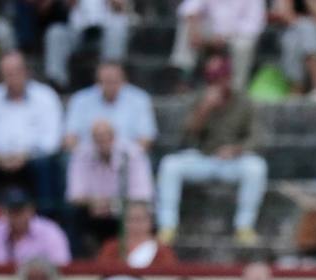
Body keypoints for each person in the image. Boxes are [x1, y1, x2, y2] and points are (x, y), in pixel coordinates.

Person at [156, 55, 269, 247]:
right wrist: (204, 109)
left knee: (256, 168)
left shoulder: (243, 101)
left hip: (232, 161)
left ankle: (244, 227)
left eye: (221, 78)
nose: (217, 83)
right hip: (203, 158)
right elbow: (186, 135)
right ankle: (167, 226)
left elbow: (258, 137)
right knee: (169, 165)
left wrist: (236, 149)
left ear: (229, 78)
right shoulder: (199, 99)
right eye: (213, 79)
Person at [0, 51, 63, 222]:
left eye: (16, 71)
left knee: (45, 164)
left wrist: (25, 156)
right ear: (0, 75)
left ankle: (48, 220)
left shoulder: (46, 97)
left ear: (26, 72)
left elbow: (51, 139)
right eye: (7, 73)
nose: (12, 77)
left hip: (33, 158)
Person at [65, 119, 154, 258]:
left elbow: (143, 195)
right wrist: (94, 203)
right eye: (98, 139)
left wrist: (112, 205)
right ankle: (78, 263)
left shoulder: (132, 153)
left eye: (106, 137)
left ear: (114, 137)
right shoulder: (81, 154)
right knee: (73, 215)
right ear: (92, 140)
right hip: (93, 211)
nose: (102, 143)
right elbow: (74, 195)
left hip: (124, 211)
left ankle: (134, 258)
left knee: (139, 215)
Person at [63, 61, 158, 153]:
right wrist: (85, 155)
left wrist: (123, 157)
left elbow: (146, 138)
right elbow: (69, 137)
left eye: (114, 81)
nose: (110, 85)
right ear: (97, 82)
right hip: (88, 158)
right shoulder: (80, 100)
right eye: (106, 81)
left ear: (124, 80)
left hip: (128, 159)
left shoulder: (139, 99)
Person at [170, 0, 266, 88]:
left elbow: (254, 26)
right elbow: (189, 8)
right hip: (210, 34)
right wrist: (194, 28)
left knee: (244, 45)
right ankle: (182, 76)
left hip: (235, 36)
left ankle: (236, 88)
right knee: (187, 27)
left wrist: (224, 36)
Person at [0, 187, 71, 265]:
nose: (17, 216)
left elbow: (62, 264)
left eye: (21, 210)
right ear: (3, 212)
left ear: (31, 210)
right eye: (12, 211)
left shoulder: (50, 231)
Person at [44, 0, 130, 92]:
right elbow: (58, 7)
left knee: (117, 31)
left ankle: (110, 77)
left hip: (106, 32)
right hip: (77, 31)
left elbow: (123, 9)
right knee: (55, 32)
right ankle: (57, 82)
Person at [273, 0, 316, 99]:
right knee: (299, 35)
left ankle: (298, 88)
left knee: (304, 32)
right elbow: (286, 16)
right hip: (294, 33)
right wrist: (307, 22)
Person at [97, 201, 180, 268]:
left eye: (139, 219)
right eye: (130, 219)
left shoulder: (162, 251)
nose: (134, 224)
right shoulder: (111, 247)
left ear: (150, 222)